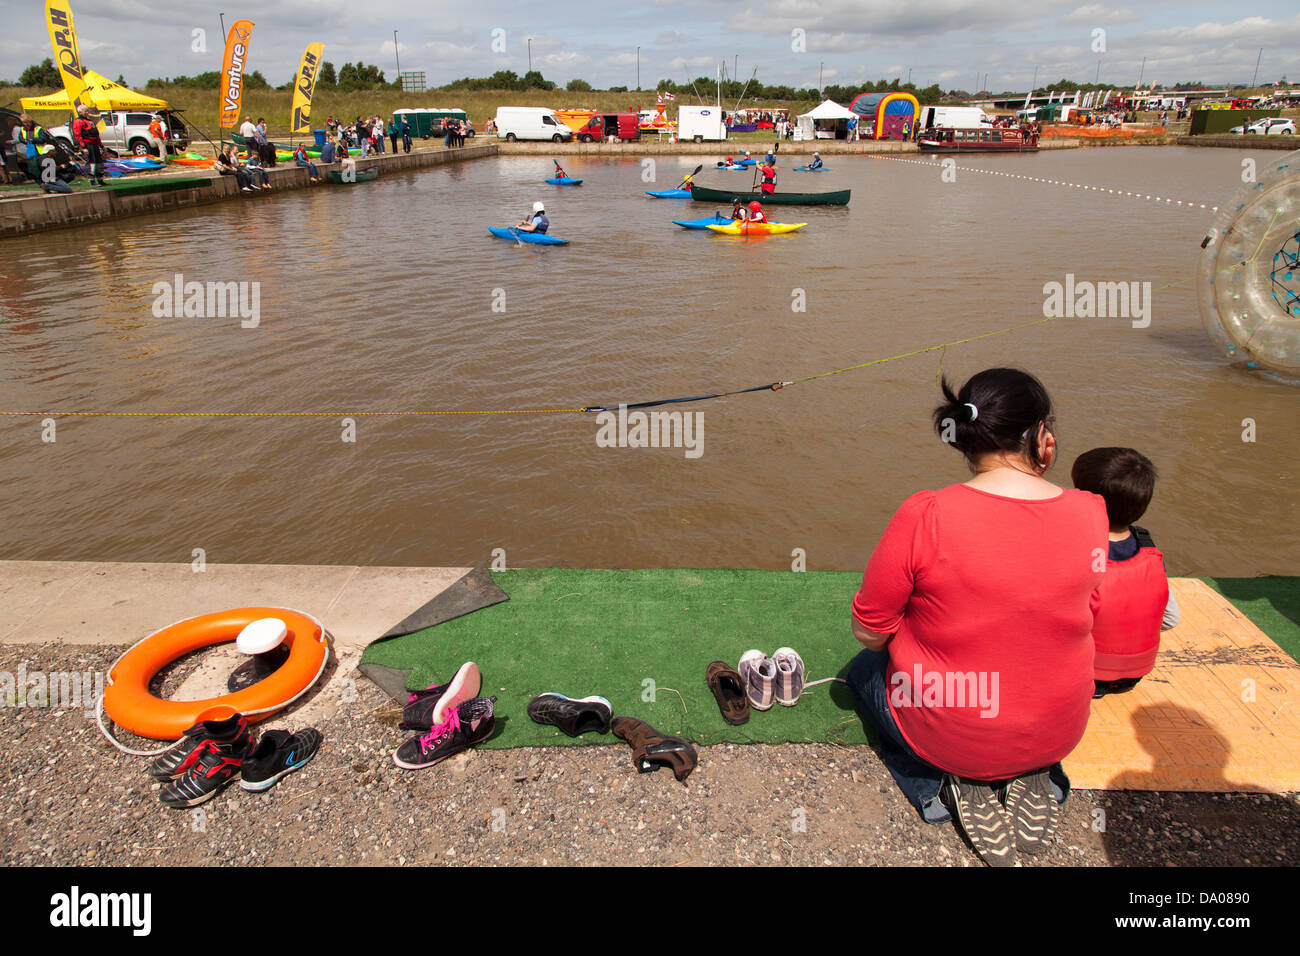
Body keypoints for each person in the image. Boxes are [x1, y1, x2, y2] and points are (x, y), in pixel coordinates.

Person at [847, 367, 1108, 866]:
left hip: (956, 729)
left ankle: (935, 787)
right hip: (1058, 728)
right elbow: (1088, 612)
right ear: (1042, 437)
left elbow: (871, 629)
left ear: (965, 438)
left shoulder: (926, 513)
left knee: (862, 672)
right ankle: (1040, 774)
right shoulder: (1091, 512)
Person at [1070, 448, 1179, 698]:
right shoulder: (1149, 550)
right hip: (1135, 675)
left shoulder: (1078, 551)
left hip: (1085, 675)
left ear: (1087, 500)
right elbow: (1171, 619)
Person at [72, 105, 106, 186]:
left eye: (88, 111)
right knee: (91, 162)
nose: (87, 112)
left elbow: (96, 135)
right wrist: (83, 147)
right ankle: (92, 181)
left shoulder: (90, 121)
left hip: (95, 144)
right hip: (87, 145)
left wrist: (101, 146)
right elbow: (77, 135)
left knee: (99, 162)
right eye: (85, 111)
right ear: (80, 112)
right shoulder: (78, 121)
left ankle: (100, 179)